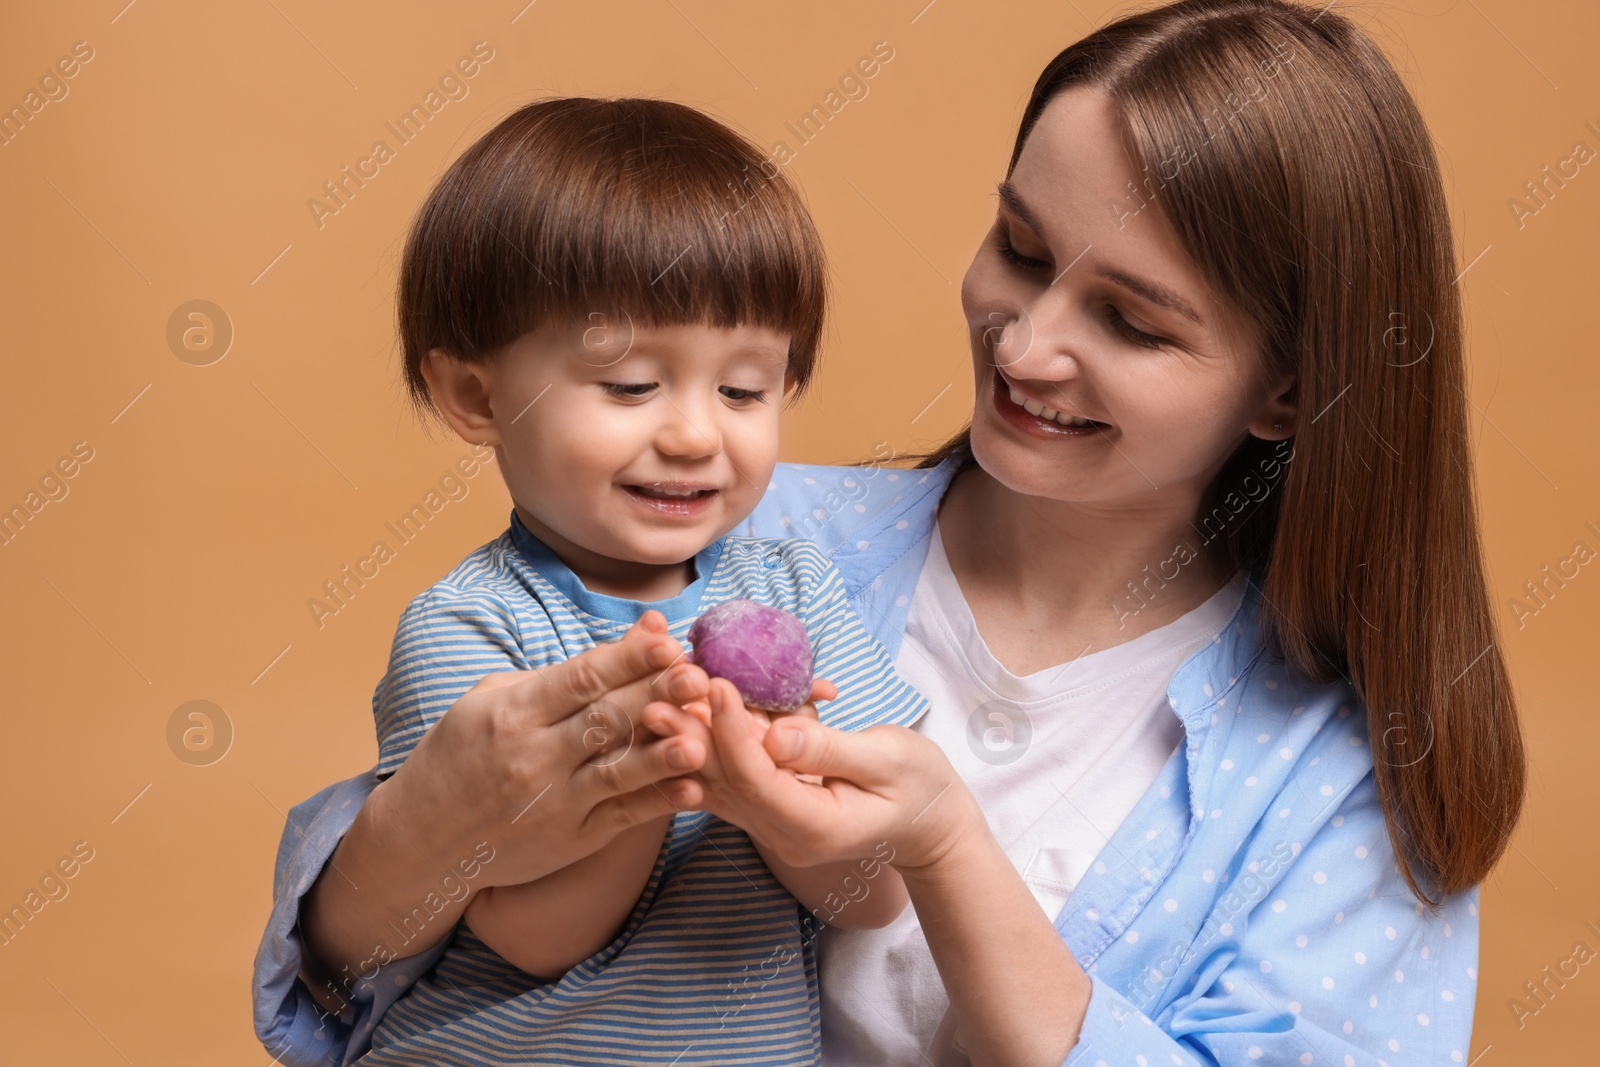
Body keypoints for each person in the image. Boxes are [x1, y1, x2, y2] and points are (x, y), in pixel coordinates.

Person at [254, 2, 1526, 1065]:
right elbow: (348, 979)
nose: (1025, 347)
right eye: (1020, 249)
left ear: (1289, 389)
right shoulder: (726, 540)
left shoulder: (1348, 778)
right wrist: (415, 841)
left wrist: (942, 840)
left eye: (1133, 323)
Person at [268, 96, 935, 1066]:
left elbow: (869, 892)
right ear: (476, 394)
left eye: (744, 388)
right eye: (630, 386)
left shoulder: (797, 592)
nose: (696, 433)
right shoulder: (473, 624)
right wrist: (660, 768)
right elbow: (535, 934)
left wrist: (761, 777)